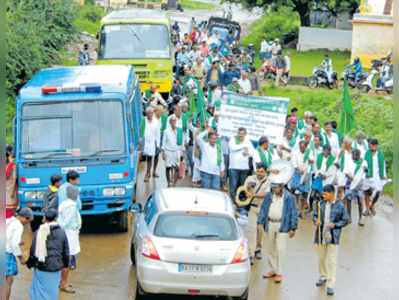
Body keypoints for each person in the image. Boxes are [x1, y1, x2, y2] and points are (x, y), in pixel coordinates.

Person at [258, 181, 298, 283]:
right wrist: (260, 222)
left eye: (276, 188)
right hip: (270, 223)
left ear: (281, 187)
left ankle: (279, 272)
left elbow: (294, 212)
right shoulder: (269, 196)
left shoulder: (289, 197)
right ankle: (273, 269)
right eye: (273, 187)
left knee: (280, 249)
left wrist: (293, 227)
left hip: (283, 225)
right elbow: (263, 209)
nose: (274, 189)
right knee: (270, 248)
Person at [313, 184, 349, 296]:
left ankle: (330, 285)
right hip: (320, 235)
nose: (323, 196)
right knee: (321, 258)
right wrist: (316, 221)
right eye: (323, 194)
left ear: (332, 193)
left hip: (333, 236)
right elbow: (315, 215)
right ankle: (323, 276)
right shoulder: (320, 204)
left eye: (325, 194)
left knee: (332, 261)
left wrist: (336, 225)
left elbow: (346, 220)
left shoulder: (340, 205)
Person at [27, 209, 70, 300]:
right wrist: (65, 265)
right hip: (55, 267)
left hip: (42, 266)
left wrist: (29, 264)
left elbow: (33, 250)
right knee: (52, 292)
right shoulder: (62, 232)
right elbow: (66, 251)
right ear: (56, 218)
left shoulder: (39, 231)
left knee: (38, 292)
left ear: (44, 218)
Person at [243, 163, 270, 265]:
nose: (259, 173)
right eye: (258, 171)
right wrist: (248, 187)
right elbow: (243, 190)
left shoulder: (268, 182)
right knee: (251, 230)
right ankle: (250, 254)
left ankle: (258, 249)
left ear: (265, 172)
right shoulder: (250, 178)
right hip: (252, 208)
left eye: (262, 171)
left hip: (263, 209)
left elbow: (266, 195)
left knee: (260, 230)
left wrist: (253, 194)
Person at [58, 185, 82, 294]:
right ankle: (64, 283)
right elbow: (65, 223)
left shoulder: (64, 204)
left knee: (66, 258)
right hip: (69, 234)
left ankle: (62, 281)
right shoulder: (71, 207)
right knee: (67, 260)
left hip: (68, 233)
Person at [6, 207, 33, 300]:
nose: (27, 223)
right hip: (6, 255)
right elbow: (14, 245)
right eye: (28, 220)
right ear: (24, 217)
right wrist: (21, 258)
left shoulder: (8, 220)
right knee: (7, 282)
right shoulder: (19, 226)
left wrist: (18, 241)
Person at [362, 139, 387, 216]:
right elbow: (364, 162)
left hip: (377, 176)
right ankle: (367, 209)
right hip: (368, 176)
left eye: (373, 145)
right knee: (366, 192)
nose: (371, 146)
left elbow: (382, 166)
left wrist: (384, 176)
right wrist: (364, 169)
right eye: (370, 145)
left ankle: (372, 205)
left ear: (376, 145)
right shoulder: (367, 153)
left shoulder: (380, 155)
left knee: (378, 191)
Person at [290, 140, 314, 218]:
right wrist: (298, 170)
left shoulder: (309, 152)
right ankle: (294, 206)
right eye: (300, 147)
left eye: (303, 148)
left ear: (306, 147)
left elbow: (312, 161)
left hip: (306, 174)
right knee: (293, 189)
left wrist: (310, 160)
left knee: (305, 192)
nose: (302, 149)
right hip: (297, 173)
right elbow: (294, 163)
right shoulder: (296, 153)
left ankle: (302, 211)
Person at [228, 127, 254, 202]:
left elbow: (252, 153)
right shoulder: (233, 139)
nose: (240, 135)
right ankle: (232, 202)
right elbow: (232, 148)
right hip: (234, 167)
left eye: (242, 134)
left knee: (243, 186)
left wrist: (248, 153)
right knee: (233, 186)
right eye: (239, 133)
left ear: (245, 134)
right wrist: (244, 146)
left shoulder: (248, 141)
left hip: (244, 168)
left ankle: (241, 202)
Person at [343, 149, 366, 226]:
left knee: (360, 199)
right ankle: (349, 217)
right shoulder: (349, 161)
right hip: (350, 182)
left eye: (356, 155)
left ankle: (360, 218)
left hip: (359, 184)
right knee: (349, 200)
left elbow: (365, 173)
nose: (354, 156)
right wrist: (350, 176)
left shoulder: (363, 162)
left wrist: (364, 172)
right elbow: (345, 172)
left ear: (359, 156)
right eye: (353, 155)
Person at [162, 116, 185, 187]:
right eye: (172, 121)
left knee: (177, 168)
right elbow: (164, 142)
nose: (173, 122)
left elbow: (182, 142)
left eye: (174, 121)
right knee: (168, 168)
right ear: (169, 122)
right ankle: (168, 183)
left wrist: (183, 152)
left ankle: (174, 183)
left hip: (177, 151)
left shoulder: (179, 130)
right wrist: (163, 152)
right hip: (168, 152)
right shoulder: (166, 131)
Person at [140, 107, 161, 182]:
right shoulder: (143, 120)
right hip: (145, 142)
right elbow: (140, 132)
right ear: (146, 114)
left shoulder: (156, 122)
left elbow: (158, 134)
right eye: (149, 113)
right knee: (145, 159)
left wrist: (158, 145)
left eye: (151, 113)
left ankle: (149, 173)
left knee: (152, 158)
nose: (150, 114)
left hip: (152, 142)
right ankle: (147, 173)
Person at [6, 145, 18, 219]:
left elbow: (14, 178)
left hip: (10, 188)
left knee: (10, 207)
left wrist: (12, 191)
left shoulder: (12, 165)